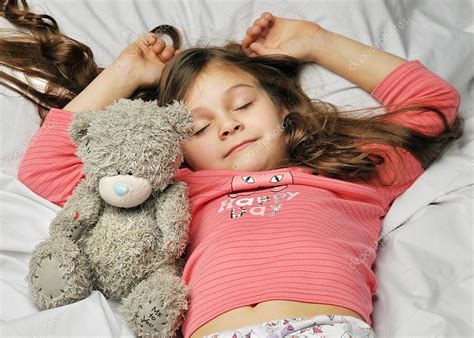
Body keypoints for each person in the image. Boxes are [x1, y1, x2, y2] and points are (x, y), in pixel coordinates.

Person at [1, 1, 463, 337]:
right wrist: (124, 74)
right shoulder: (174, 191)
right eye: (200, 127)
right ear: (180, 151)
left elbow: (433, 106)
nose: (229, 126)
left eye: (242, 103)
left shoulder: (345, 172)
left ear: (283, 106)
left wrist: (317, 43)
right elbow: (49, 165)